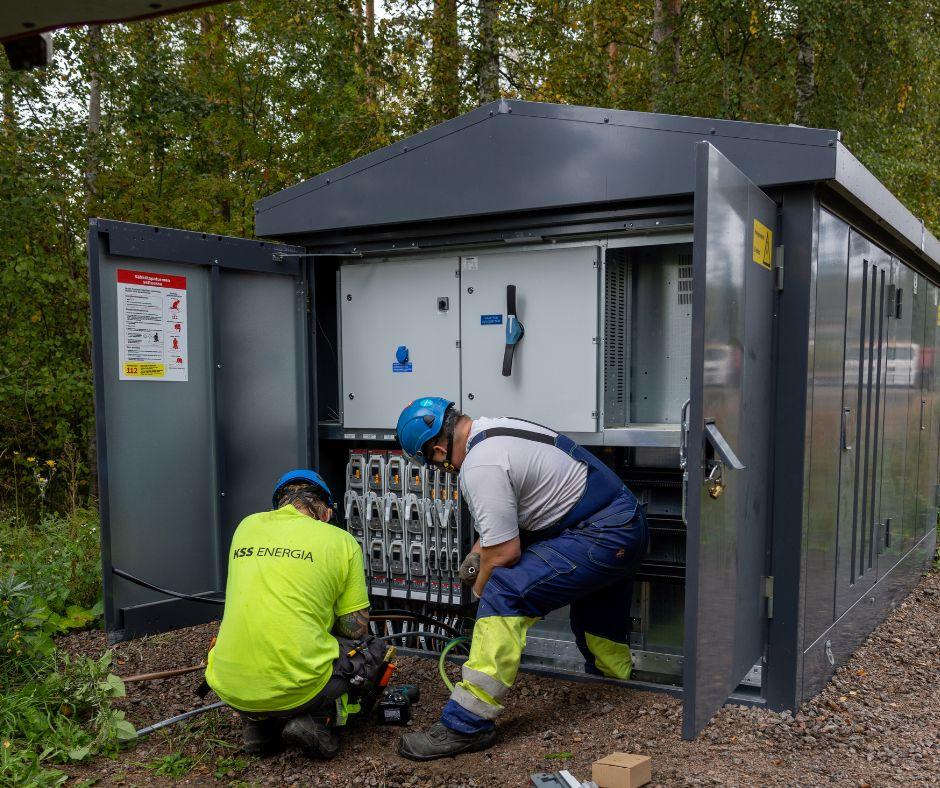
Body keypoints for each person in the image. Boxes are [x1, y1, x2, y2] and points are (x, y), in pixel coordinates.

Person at [395, 398, 649, 761]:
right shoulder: (494, 432)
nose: (444, 468)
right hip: (623, 525)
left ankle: (466, 724)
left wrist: (481, 596)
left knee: (504, 591)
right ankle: (617, 686)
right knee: (597, 618)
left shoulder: (479, 464)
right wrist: (476, 556)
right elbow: (504, 521)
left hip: (601, 534)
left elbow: (505, 553)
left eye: (436, 463)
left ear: (437, 449)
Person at [204, 470, 386, 758]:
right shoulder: (341, 541)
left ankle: (257, 726)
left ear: (279, 504)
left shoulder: (245, 527)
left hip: (229, 685)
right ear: (325, 511)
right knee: (372, 650)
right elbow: (354, 630)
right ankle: (315, 721)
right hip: (302, 689)